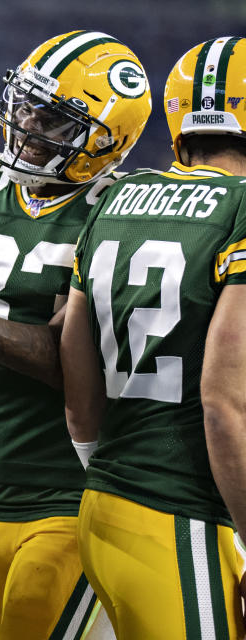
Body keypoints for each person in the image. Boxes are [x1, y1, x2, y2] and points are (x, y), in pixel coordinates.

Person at [0, 31, 152, 639]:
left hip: (70, 489)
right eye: (25, 105)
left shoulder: (121, 209)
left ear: (104, 142)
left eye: (52, 120)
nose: (25, 125)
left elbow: (67, 359)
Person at [61, 36, 246, 639]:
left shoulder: (116, 197)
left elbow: (74, 353)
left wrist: (105, 470)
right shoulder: (241, 208)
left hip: (105, 506)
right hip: (186, 514)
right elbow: (224, 406)